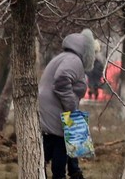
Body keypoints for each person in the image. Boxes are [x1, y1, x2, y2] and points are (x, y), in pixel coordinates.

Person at [38, 29, 95, 179]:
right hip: (57, 110)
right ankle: (62, 175)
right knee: (61, 144)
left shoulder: (65, 58)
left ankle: (74, 172)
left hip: (53, 108)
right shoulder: (74, 60)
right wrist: (71, 107)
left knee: (65, 140)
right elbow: (62, 80)